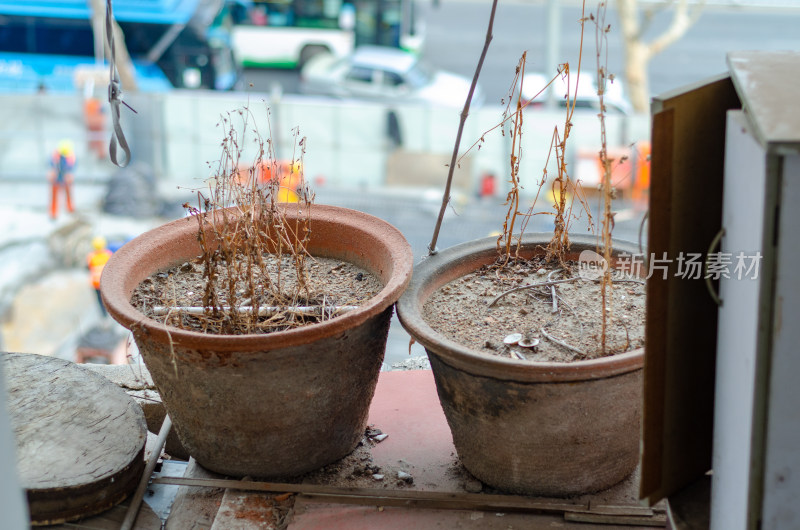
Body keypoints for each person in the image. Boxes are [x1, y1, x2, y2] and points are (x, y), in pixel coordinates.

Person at [48, 140, 76, 219]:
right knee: (54, 196)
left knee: (69, 194)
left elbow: (72, 167)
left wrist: (69, 174)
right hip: (56, 179)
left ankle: (70, 209)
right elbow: (51, 165)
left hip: (66, 179)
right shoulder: (55, 157)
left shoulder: (71, 157)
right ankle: (53, 213)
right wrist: (52, 171)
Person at [87, 236, 112, 318]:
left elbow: (89, 268)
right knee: (109, 298)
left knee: (100, 300)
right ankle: (113, 313)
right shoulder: (108, 254)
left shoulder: (91, 256)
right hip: (106, 281)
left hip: (96, 283)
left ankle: (104, 317)